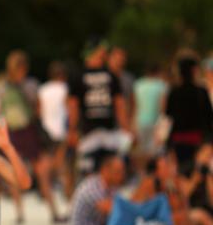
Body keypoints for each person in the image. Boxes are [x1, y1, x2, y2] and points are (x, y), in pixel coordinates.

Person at [0, 50, 63, 224]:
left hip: (16, 131)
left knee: (19, 172)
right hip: (27, 131)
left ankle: (21, 214)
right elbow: (38, 108)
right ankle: (52, 212)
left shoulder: (2, 87)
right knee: (40, 173)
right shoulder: (29, 85)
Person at [67, 39, 130, 175]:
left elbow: (73, 106)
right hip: (108, 131)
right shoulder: (111, 75)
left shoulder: (78, 75)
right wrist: (126, 128)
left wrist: (72, 130)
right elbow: (119, 105)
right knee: (110, 172)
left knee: (88, 173)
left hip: (88, 131)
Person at [69, 155, 126, 225]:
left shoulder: (112, 188)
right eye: (118, 171)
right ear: (105, 170)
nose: (121, 175)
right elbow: (114, 210)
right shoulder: (91, 187)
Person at [165, 56, 213, 174]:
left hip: (177, 141)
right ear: (194, 71)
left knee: (181, 173)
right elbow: (209, 118)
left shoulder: (174, 92)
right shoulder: (201, 92)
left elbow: (168, 116)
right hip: (199, 141)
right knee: (197, 173)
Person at [38, 61, 72, 199]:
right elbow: (70, 110)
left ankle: (45, 191)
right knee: (64, 166)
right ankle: (68, 195)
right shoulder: (65, 89)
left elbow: (39, 111)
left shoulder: (43, 89)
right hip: (61, 131)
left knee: (47, 164)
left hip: (46, 131)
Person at [132, 64, 168, 168]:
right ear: (158, 73)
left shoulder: (138, 84)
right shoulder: (161, 85)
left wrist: (133, 123)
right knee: (154, 151)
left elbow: (135, 105)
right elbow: (163, 107)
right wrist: (163, 125)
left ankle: (142, 174)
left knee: (141, 151)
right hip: (155, 122)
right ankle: (152, 174)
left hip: (140, 121)